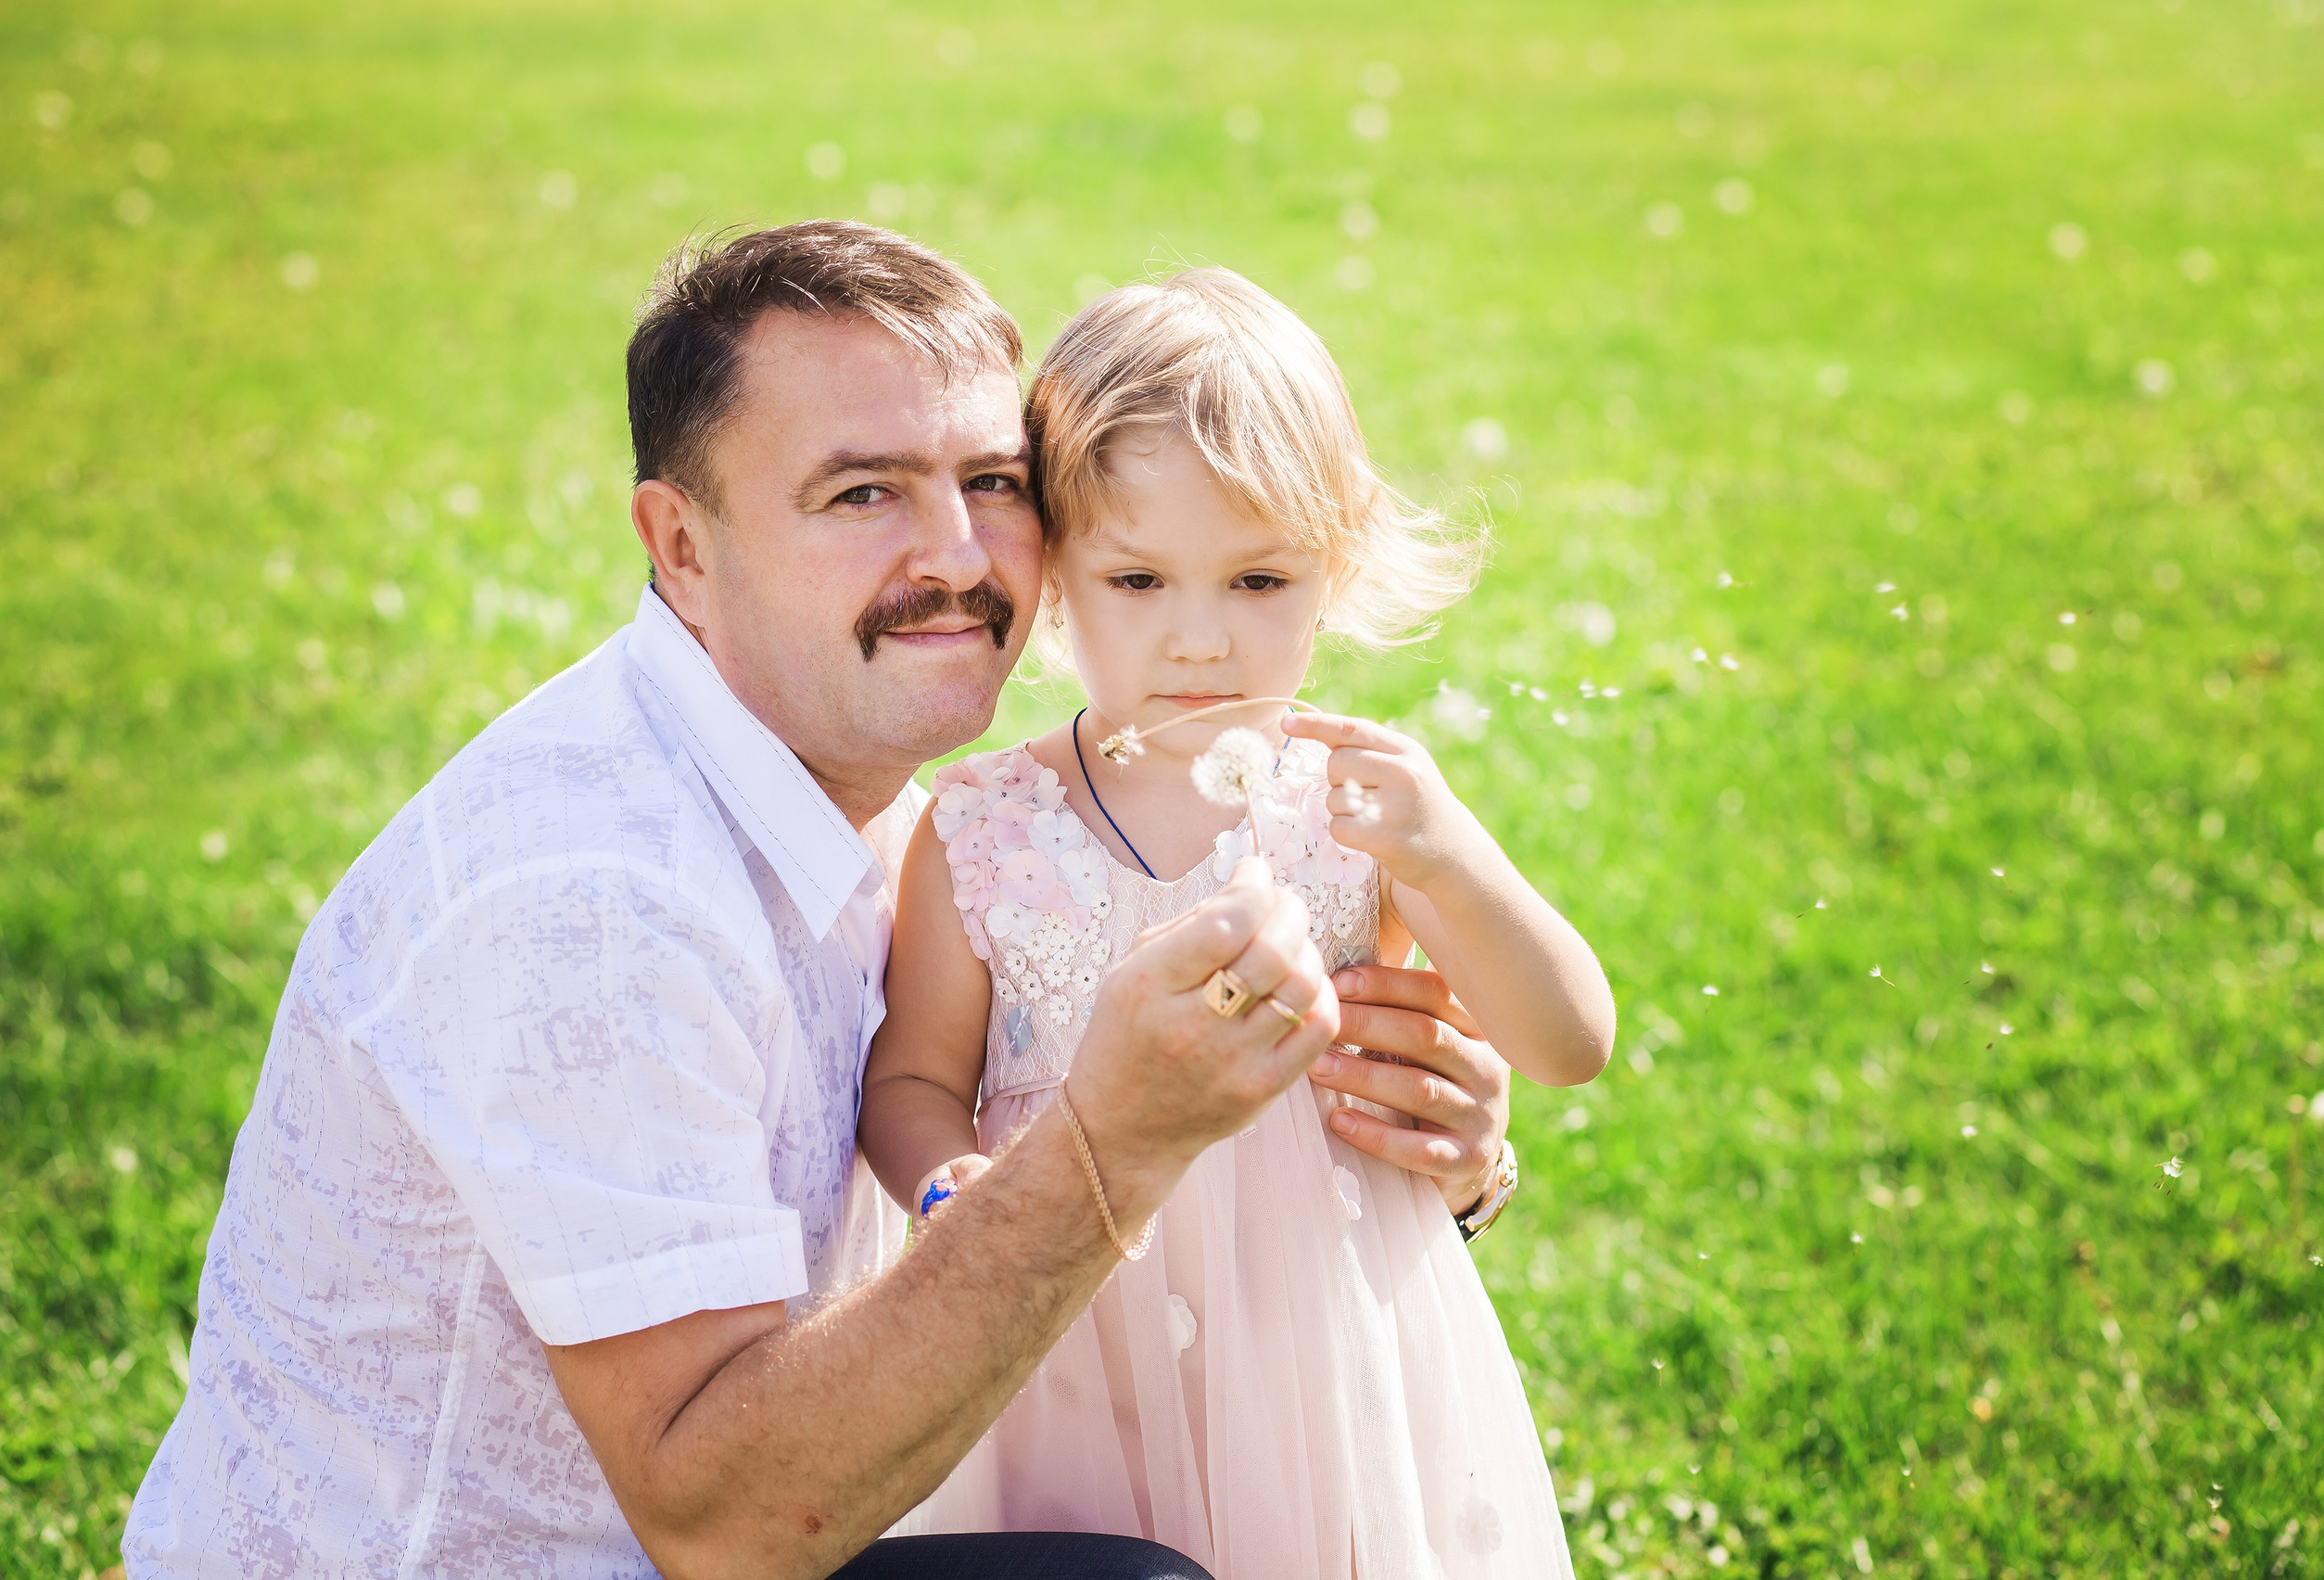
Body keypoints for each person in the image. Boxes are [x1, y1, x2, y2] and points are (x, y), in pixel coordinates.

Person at [121, 222, 1521, 1580]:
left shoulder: (898, 804)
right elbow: (727, 1528)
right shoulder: (593, 901)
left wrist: (1401, 1161)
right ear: (681, 544)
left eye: (989, 481)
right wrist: (1113, 1142)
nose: (961, 558)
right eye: (863, 494)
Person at [857, 267, 1612, 1578]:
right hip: (1068, 1351)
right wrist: (951, 1190)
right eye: (1140, 581)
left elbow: (1566, 1042)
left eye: (1259, 583)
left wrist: (1457, 860)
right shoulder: (981, 826)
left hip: (1321, 1351)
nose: (1200, 642)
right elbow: (915, 1074)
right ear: (1054, 575)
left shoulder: (1361, 807)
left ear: (1338, 566)